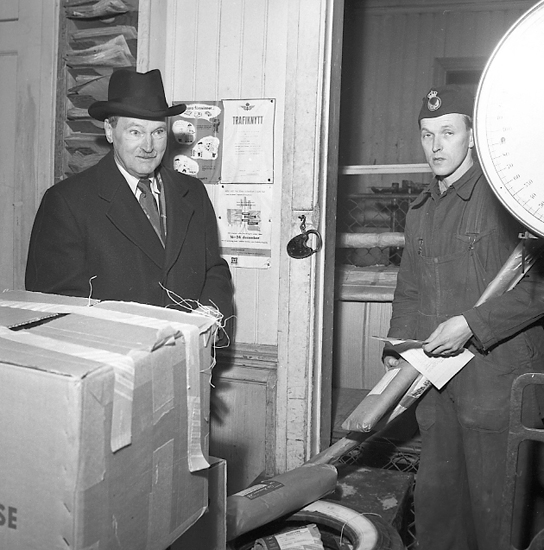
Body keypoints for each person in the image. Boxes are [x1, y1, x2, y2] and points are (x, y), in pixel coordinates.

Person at [385, 85, 544, 550]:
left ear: (473, 136)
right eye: (426, 134)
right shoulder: (420, 210)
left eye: (448, 132)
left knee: (499, 511)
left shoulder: (510, 199)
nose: (435, 146)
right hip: (437, 380)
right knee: (439, 506)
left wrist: (473, 324)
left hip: (497, 379)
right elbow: (409, 287)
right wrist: (397, 347)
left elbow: (539, 286)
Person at [25, 68, 233, 328]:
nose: (148, 146)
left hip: (189, 347)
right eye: (135, 132)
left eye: (158, 132)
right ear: (109, 131)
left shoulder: (193, 192)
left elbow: (214, 269)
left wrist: (207, 322)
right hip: (114, 350)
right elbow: (55, 306)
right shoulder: (67, 202)